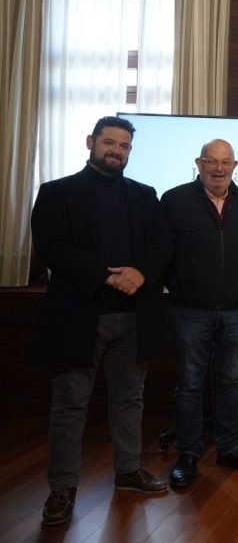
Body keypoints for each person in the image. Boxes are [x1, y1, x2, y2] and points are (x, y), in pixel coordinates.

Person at [29, 116, 173, 527]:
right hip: (78, 316)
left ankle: (128, 471)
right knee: (70, 404)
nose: (116, 151)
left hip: (134, 316)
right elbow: (51, 248)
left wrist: (141, 273)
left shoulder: (144, 194)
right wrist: (107, 276)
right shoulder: (56, 192)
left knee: (130, 399)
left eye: (124, 146)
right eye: (110, 142)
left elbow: (163, 244)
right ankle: (62, 487)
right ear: (91, 142)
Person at [161, 139, 238, 488]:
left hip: (236, 308)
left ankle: (229, 448)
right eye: (211, 161)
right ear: (199, 163)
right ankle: (188, 453)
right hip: (190, 309)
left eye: (225, 162)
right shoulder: (174, 200)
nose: (219, 168)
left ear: (235, 165)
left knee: (229, 382)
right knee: (190, 383)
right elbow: (162, 250)